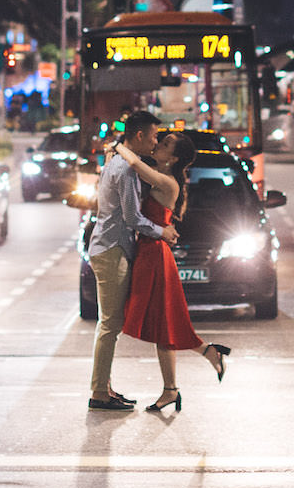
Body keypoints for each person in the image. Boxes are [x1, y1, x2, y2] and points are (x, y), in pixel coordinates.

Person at [115, 130, 232, 412]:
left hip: (154, 254)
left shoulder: (168, 182)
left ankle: (180, 380)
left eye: (165, 145)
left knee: (162, 323)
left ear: (175, 158)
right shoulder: (164, 178)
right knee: (162, 324)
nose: (159, 145)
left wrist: (119, 146)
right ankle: (180, 379)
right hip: (149, 252)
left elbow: (134, 164)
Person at [86, 112, 177, 410]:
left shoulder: (120, 162)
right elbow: (132, 218)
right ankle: (99, 393)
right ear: (139, 136)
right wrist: (161, 231)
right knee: (110, 325)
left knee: (110, 324)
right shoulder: (125, 169)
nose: (155, 142)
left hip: (111, 248)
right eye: (153, 136)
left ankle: (105, 388)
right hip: (111, 249)